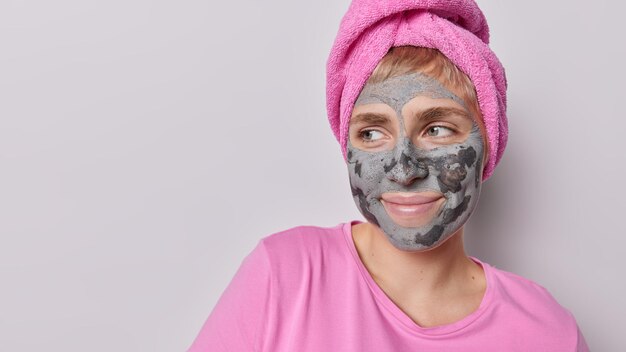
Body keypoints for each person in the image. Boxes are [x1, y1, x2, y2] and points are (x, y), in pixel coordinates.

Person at [188, 0, 589, 351]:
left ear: (489, 143)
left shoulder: (548, 333)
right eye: (372, 132)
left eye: (437, 129)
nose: (403, 170)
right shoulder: (284, 276)